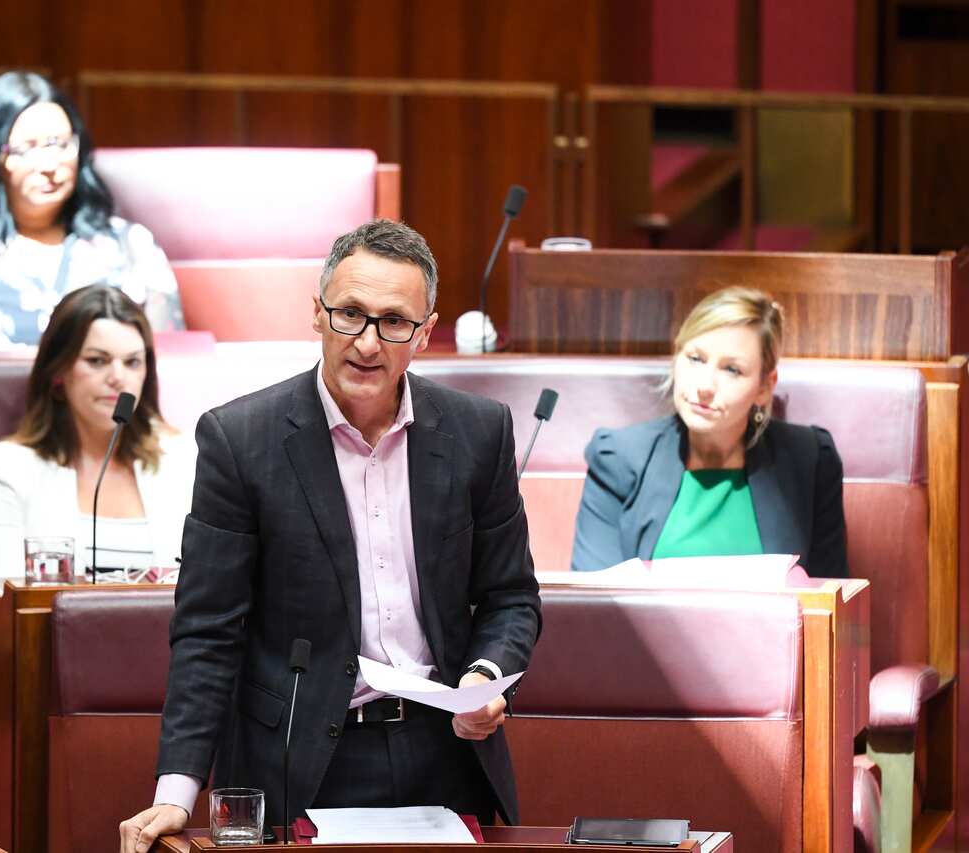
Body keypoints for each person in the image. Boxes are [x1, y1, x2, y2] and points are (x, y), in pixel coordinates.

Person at [120, 219, 541, 852]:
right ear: (316, 314)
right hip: (297, 757)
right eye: (350, 314)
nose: (367, 343)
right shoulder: (241, 441)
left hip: (444, 754)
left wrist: (484, 677)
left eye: (394, 322)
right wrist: (175, 794)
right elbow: (208, 630)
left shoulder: (478, 434)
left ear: (425, 333)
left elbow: (511, 597)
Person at [570, 286, 848, 577]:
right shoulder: (617, 457)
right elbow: (593, 601)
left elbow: (830, 599)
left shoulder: (811, 460)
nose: (704, 385)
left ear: (765, 386)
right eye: (695, 358)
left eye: (732, 370)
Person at [0, 71, 182, 351]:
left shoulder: (130, 246)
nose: (49, 164)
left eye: (59, 144)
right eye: (27, 148)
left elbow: (171, 363)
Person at [0, 284, 195, 582]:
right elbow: (0, 606)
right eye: (97, 360)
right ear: (58, 373)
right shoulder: (3, 469)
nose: (118, 378)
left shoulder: (186, 459)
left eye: (132, 362)